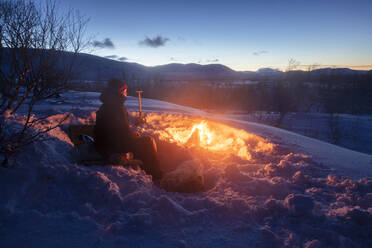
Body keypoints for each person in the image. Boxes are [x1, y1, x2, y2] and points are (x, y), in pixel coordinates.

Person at [94, 78, 162, 180]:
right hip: (114, 146)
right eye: (125, 91)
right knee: (148, 142)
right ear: (119, 92)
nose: (126, 93)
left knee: (142, 142)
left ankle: (149, 171)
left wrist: (132, 135)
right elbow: (122, 133)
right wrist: (133, 136)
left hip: (108, 143)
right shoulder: (116, 107)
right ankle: (156, 175)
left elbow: (118, 130)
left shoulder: (108, 105)